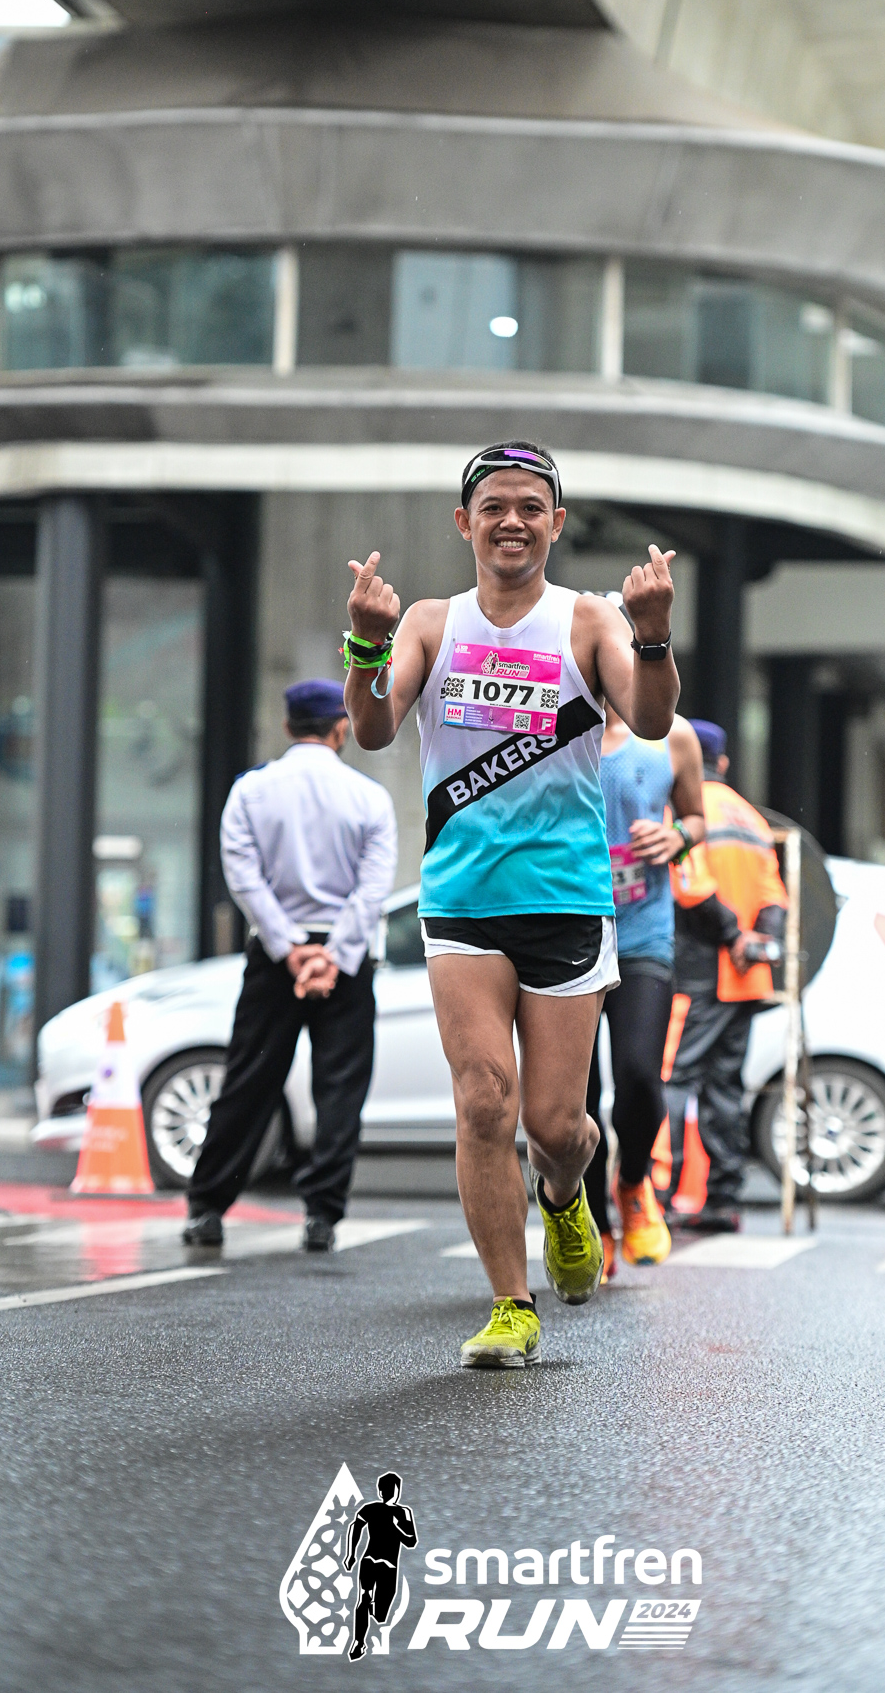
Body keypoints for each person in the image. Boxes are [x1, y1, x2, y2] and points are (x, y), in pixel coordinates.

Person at [344, 439, 680, 1368]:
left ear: (556, 524)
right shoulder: (429, 622)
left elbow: (652, 720)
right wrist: (366, 644)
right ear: (465, 522)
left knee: (554, 1127)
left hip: (566, 898)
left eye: (531, 506)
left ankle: (566, 1195)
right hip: (461, 899)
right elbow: (371, 728)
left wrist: (652, 633)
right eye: (494, 506)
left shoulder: (587, 621)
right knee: (484, 1102)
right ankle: (510, 1304)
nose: (512, 521)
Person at [182, 679, 397, 1254]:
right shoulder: (369, 797)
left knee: (249, 1080)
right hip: (345, 960)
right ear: (340, 728)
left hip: (276, 957)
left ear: (287, 727)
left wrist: (290, 947)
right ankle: (321, 1216)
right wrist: (333, 954)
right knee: (340, 1088)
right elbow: (373, 889)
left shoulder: (250, 791)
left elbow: (242, 874)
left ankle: (208, 1208)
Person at [584, 698, 705, 1274]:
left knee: (639, 1076)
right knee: (575, 1099)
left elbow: (696, 818)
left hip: (643, 937)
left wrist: (676, 836)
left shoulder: (672, 736)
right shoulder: (554, 729)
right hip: (568, 934)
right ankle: (593, 1221)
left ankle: (633, 1183)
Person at [661, 719, 787, 1233]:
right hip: (745, 978)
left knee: (672, 1079)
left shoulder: (683, 812)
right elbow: (775, 896)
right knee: (725, 1089)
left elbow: (690, 885)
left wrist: (731, 934)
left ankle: (657, 1196)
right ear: (726, 763)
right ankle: (723, 1201)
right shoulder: (750, 816)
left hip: (700, 970)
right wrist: (754, 940)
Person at [343, 1471, 417, 1661]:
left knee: (380, 1614)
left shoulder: (403, 1512)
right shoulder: (371, 1509)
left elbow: (411, 1541)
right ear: (380, 1491)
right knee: (364, 1597)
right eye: (386, 1489)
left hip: (388, 1567)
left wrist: (395, 1527)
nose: (390, 1492)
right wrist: (351, 1554)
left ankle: (370, 1611)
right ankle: (359, 1642)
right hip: (371, 1561)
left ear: (397, 1490)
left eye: (392, 1489)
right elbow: (355, 1527)